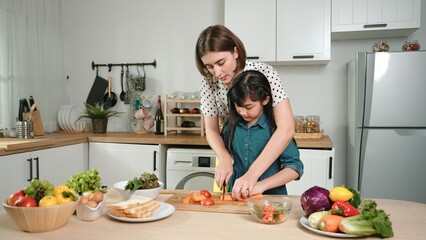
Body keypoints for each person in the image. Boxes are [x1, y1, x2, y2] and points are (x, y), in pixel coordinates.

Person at [195, 24, 297, 199]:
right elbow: (211, 129)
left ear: (235, 52)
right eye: (210, 66)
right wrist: (225, 158)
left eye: (221, 63)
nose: (217, 73)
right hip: (235, 147)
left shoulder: (265, 73)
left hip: (265, 149)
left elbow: (286, 128)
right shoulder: (209, 82)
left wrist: (253, 175)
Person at [223, 70, 303, 195]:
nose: (243, 112)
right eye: (238, 106)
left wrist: (262, 185)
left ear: (265, 100)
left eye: (249, 107)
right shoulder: (231, 127)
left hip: (271, 201)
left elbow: (295, 168)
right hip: (237, 197)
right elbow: (224, 154)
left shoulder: (277, 131)